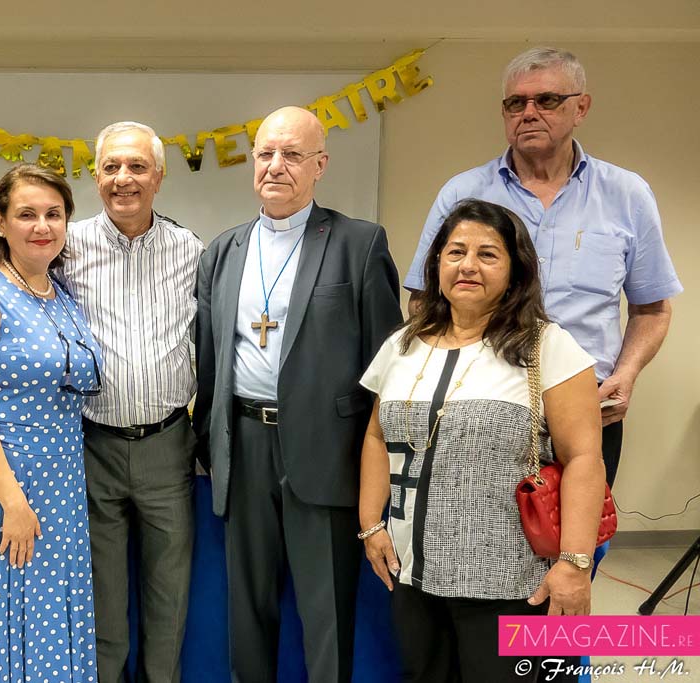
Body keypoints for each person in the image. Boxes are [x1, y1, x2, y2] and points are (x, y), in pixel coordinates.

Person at [0, 121, 202, 683]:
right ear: (96, 177)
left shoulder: (193, 250)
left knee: (169, 598)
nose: (123, 178)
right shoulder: (67, 244)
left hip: (166, 446)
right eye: (111, 167)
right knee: (98, 603)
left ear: (159, 177)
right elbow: (8, 273)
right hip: (92, 449)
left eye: (137, 166)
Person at [404, 47, 682, 488]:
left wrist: (626, 374)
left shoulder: (626, 195)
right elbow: (423, 301)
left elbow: (652, 308)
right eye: (516, 103)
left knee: (578, 528)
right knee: (478, 526)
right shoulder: (463, 193)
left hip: (588, 408)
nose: (529, 113)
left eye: (547, 100)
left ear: (581, 108)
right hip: (480, 406)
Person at [193, 105, 401, 683]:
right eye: (265, 154)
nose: (276, 166)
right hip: (244, 446)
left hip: (327, 451)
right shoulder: (224, 250)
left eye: (292, 154)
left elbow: (387, 362)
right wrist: (210, 443)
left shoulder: (359, 243)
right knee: (247, 608)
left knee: (326, 609)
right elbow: (208, 360)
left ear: (320, 166)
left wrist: (373, 459)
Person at [359, 199, 606, 682]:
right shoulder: (402, 345)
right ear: (437, 264)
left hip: (510, 582)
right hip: (413, 575)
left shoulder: (548, 346)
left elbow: (583, 459)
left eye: (487, 254)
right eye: (455, 252)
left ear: (515, 271)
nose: (468, 265)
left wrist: (575, 564)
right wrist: (371, 524)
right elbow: (375, 435)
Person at [0, 163, 102, 682]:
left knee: (50, 621)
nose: (42, 226)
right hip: (1, 485)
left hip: (61, 485)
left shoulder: (62, 294)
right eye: (27, 214)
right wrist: (12, 501)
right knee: (7, 617)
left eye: (54, 214)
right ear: (1, 222)